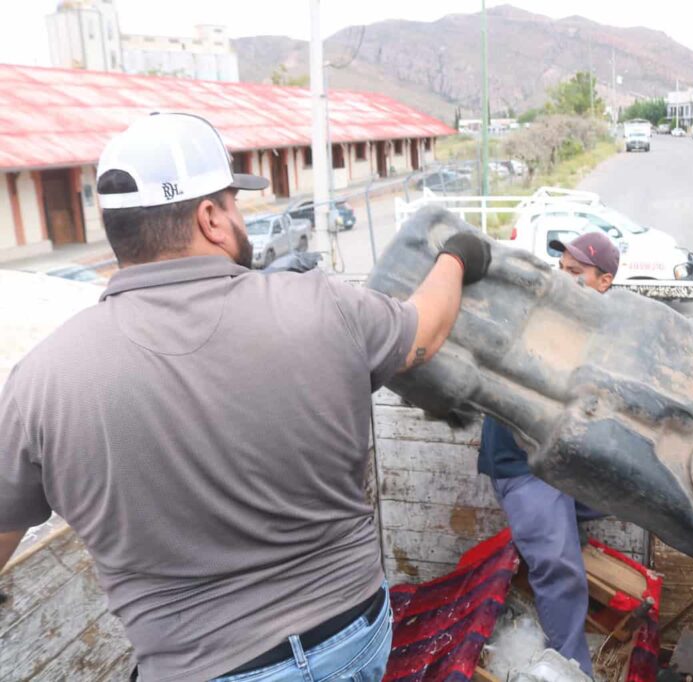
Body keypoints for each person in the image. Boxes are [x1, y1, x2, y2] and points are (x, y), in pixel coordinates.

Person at [0, 113, 491, 682]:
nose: (241, 220)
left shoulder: (41, 380)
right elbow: (422, 335)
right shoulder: (322, 307)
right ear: (210, 218)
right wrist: (456, 257)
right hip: (351, 634)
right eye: (234, 204)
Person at [478, 231, 620, 676]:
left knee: (631, 495)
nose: (563, 281)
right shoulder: (539, 317)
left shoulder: (597, 325)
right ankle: (573, 670)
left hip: (558, 463)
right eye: (560, 271)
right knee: (560, 572)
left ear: (605, 282)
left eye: (575, 274)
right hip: (521, 465)